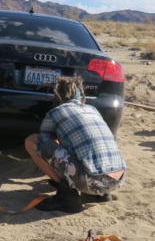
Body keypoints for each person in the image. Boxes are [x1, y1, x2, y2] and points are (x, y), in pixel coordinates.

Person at [25, 76, 126, 213]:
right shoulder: (92, 109)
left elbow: (45, 142)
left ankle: (67, 196)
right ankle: (98, 195)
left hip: (91, 180)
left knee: (32, 141)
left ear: (58, 95)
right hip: (118, 179)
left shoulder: (55, 112)